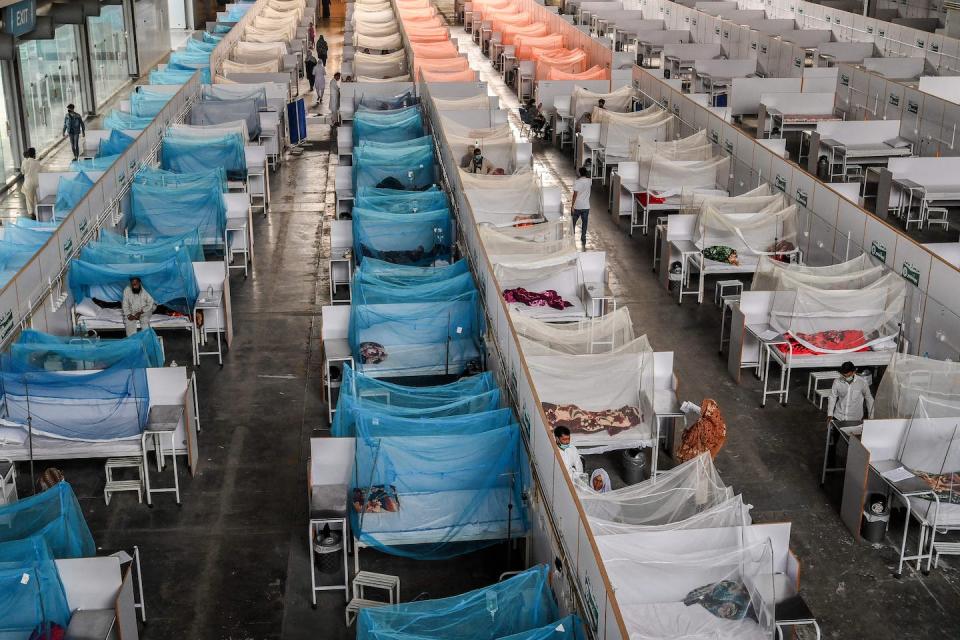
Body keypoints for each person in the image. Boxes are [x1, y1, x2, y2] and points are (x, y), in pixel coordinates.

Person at [827, 361, 874, 426]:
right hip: (838, 416)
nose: (845, 378)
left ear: (854, 372)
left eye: (848, 376)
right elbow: (832, 397)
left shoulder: (862, 382)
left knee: (852, 436)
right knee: (834, 435)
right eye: (843, 375)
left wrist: (871, 417)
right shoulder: (837, 382)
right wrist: (830, 414)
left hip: (855, 419)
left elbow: (869, 399)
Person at [571, 166, 591, 247]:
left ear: (579, 173)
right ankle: (583, 237)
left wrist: (572, 206)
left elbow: (575, 195)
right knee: (584, 223)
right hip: (586, 206)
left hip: (577, 206)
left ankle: (572, 236)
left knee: (573, 222)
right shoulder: (590, 181)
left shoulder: (577, 182)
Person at [20, 148, 40, 218]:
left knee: (29, 200)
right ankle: (38, 212)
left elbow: (22, 172)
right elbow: (39, 171)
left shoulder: (24, 162)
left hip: (28, 183)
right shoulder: (37, 162)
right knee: (36, 198)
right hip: (36, 182)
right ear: (34, 154)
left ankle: (32, 214)